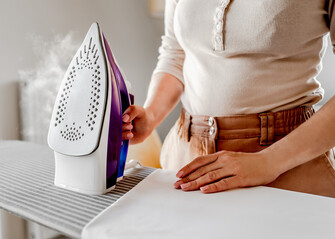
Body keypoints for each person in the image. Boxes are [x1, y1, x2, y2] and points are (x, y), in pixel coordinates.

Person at [121, 0, 335, 198]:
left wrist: (269, 162)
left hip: (289, 163)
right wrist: (151, 115)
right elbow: (175, 54)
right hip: (186, 158)